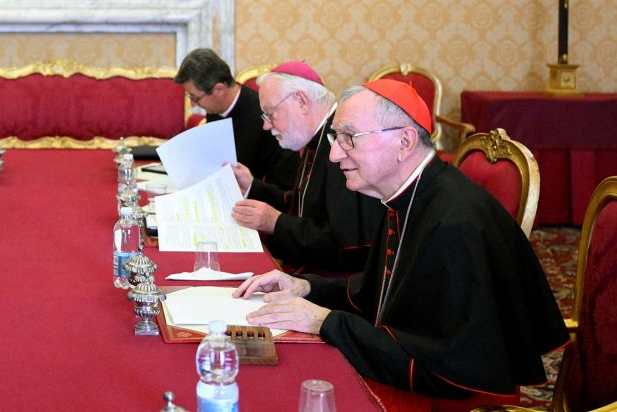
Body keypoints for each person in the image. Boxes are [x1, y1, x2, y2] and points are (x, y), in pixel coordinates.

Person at [233, 79, 569, 400]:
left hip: (445, 389)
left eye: (349, 137)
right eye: (336, 138)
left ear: (405, 142)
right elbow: (385, 292)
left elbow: (443, 365)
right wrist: (307, 286)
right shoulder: (406, 196)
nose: (334, 155)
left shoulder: (453, 224)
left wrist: (324, 321)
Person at [230, 61, 383, 274]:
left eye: (270, 114)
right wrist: (253, 187)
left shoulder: (341, 145)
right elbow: (306, 204)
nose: (266, 125)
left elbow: (345, 246)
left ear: (301, 101)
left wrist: (276, 222)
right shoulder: (315, 138)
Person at [175, 48, 298, 190]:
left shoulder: (267, 117)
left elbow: (284, 185)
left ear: (219, 90)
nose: (192, 104)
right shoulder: (215, 109)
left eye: (195, 97)